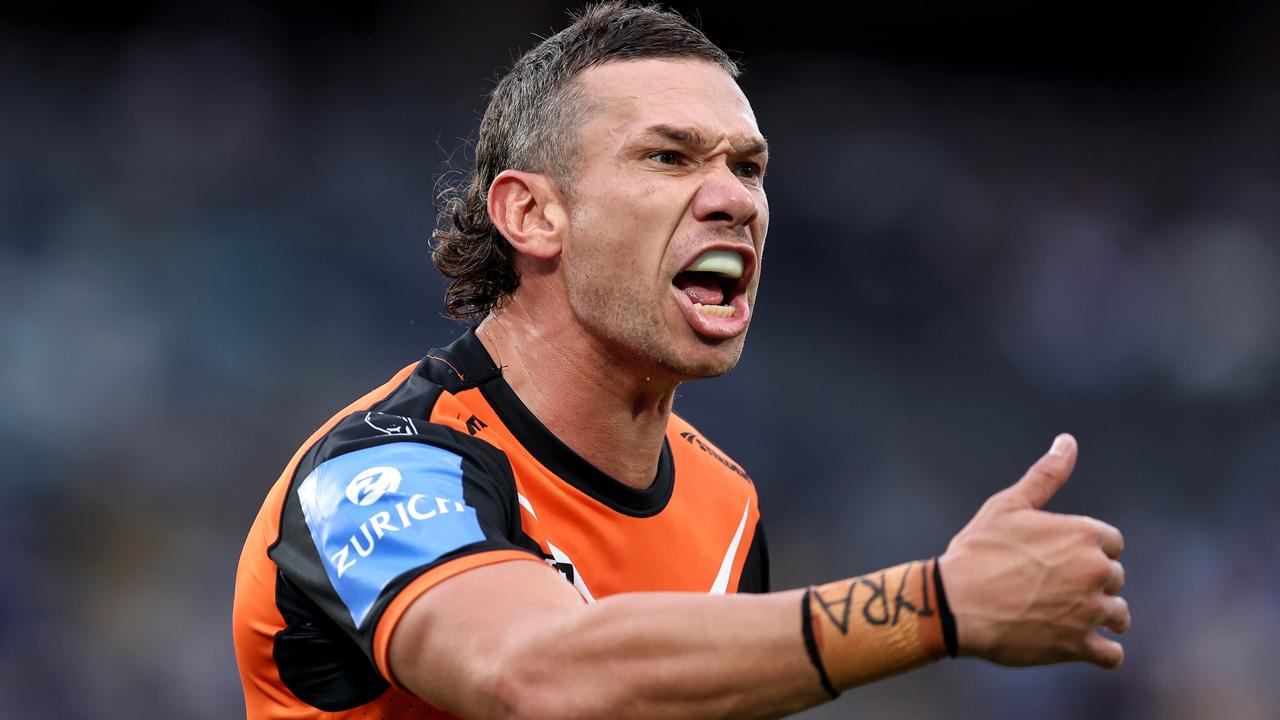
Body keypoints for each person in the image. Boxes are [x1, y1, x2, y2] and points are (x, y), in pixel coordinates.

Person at [232, 3, 1130, 718]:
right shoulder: (376, 473)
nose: (732, 199)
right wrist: (933, 607)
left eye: (749, 167)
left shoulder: (726, 508)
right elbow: (535, 680)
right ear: (532, 214)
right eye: (669, 157)